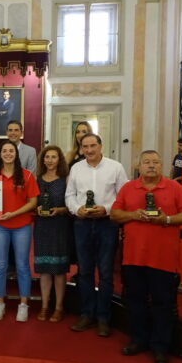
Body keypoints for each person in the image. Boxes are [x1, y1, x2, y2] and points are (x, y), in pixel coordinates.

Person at [111, 150, 182, 363]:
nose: (151, 166)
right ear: (138, 166)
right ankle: (138, 340)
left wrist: (166, 219)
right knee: (136, 302)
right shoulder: (129, 188)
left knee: (163, 304)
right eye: (147, 162)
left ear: (162, 166)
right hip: (133, 258)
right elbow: (114, 214)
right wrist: (133, 215)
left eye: (156, 162)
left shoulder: (175, 188)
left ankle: (160, 347)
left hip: (163, 260)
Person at [65, 133, 128, 337]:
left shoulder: (115, 167)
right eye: (85, 146)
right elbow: (69, 195)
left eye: (93, 145)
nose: (89, 150)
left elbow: (123, 196)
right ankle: (87, 314)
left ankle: (104, 318)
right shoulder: (76, 168)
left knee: (106, 272)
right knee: (84, 271)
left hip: (106, 224)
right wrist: (76, 209)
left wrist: (107, 209)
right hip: (82, 224)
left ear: (101, 146)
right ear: (81, 148)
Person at [0, 140, 39, 322]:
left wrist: (13, 214)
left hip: (22, 226)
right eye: (5, 151)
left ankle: (23, 304)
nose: (8, 154)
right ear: (0, 154)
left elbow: (33, 202)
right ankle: (0, 303)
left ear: (16, 155)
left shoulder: (26, 176)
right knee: (0, 266)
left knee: (22, 266)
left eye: (11, 151)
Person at [34, 145, 70, 322]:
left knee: (59, 270)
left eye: (53, 157)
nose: (49, 160)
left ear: (59, 159)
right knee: (44, 270)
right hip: (42, 227)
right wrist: (37, 208)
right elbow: (32, 202)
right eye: (47, 157)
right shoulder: (37, 180)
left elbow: (71, 205)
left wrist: (60, 210)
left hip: (59, 227)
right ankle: (44, 306)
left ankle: (59, 307)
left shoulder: (66, 180)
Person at [66, 121, 93, 282]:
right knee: (75, 241)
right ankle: (79, 271)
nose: (80, 134)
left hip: (89, 200)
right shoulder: (70, 155)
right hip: (73, 202)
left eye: (84, 131)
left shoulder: (93, 154)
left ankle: (85, 272)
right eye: (78, 132)